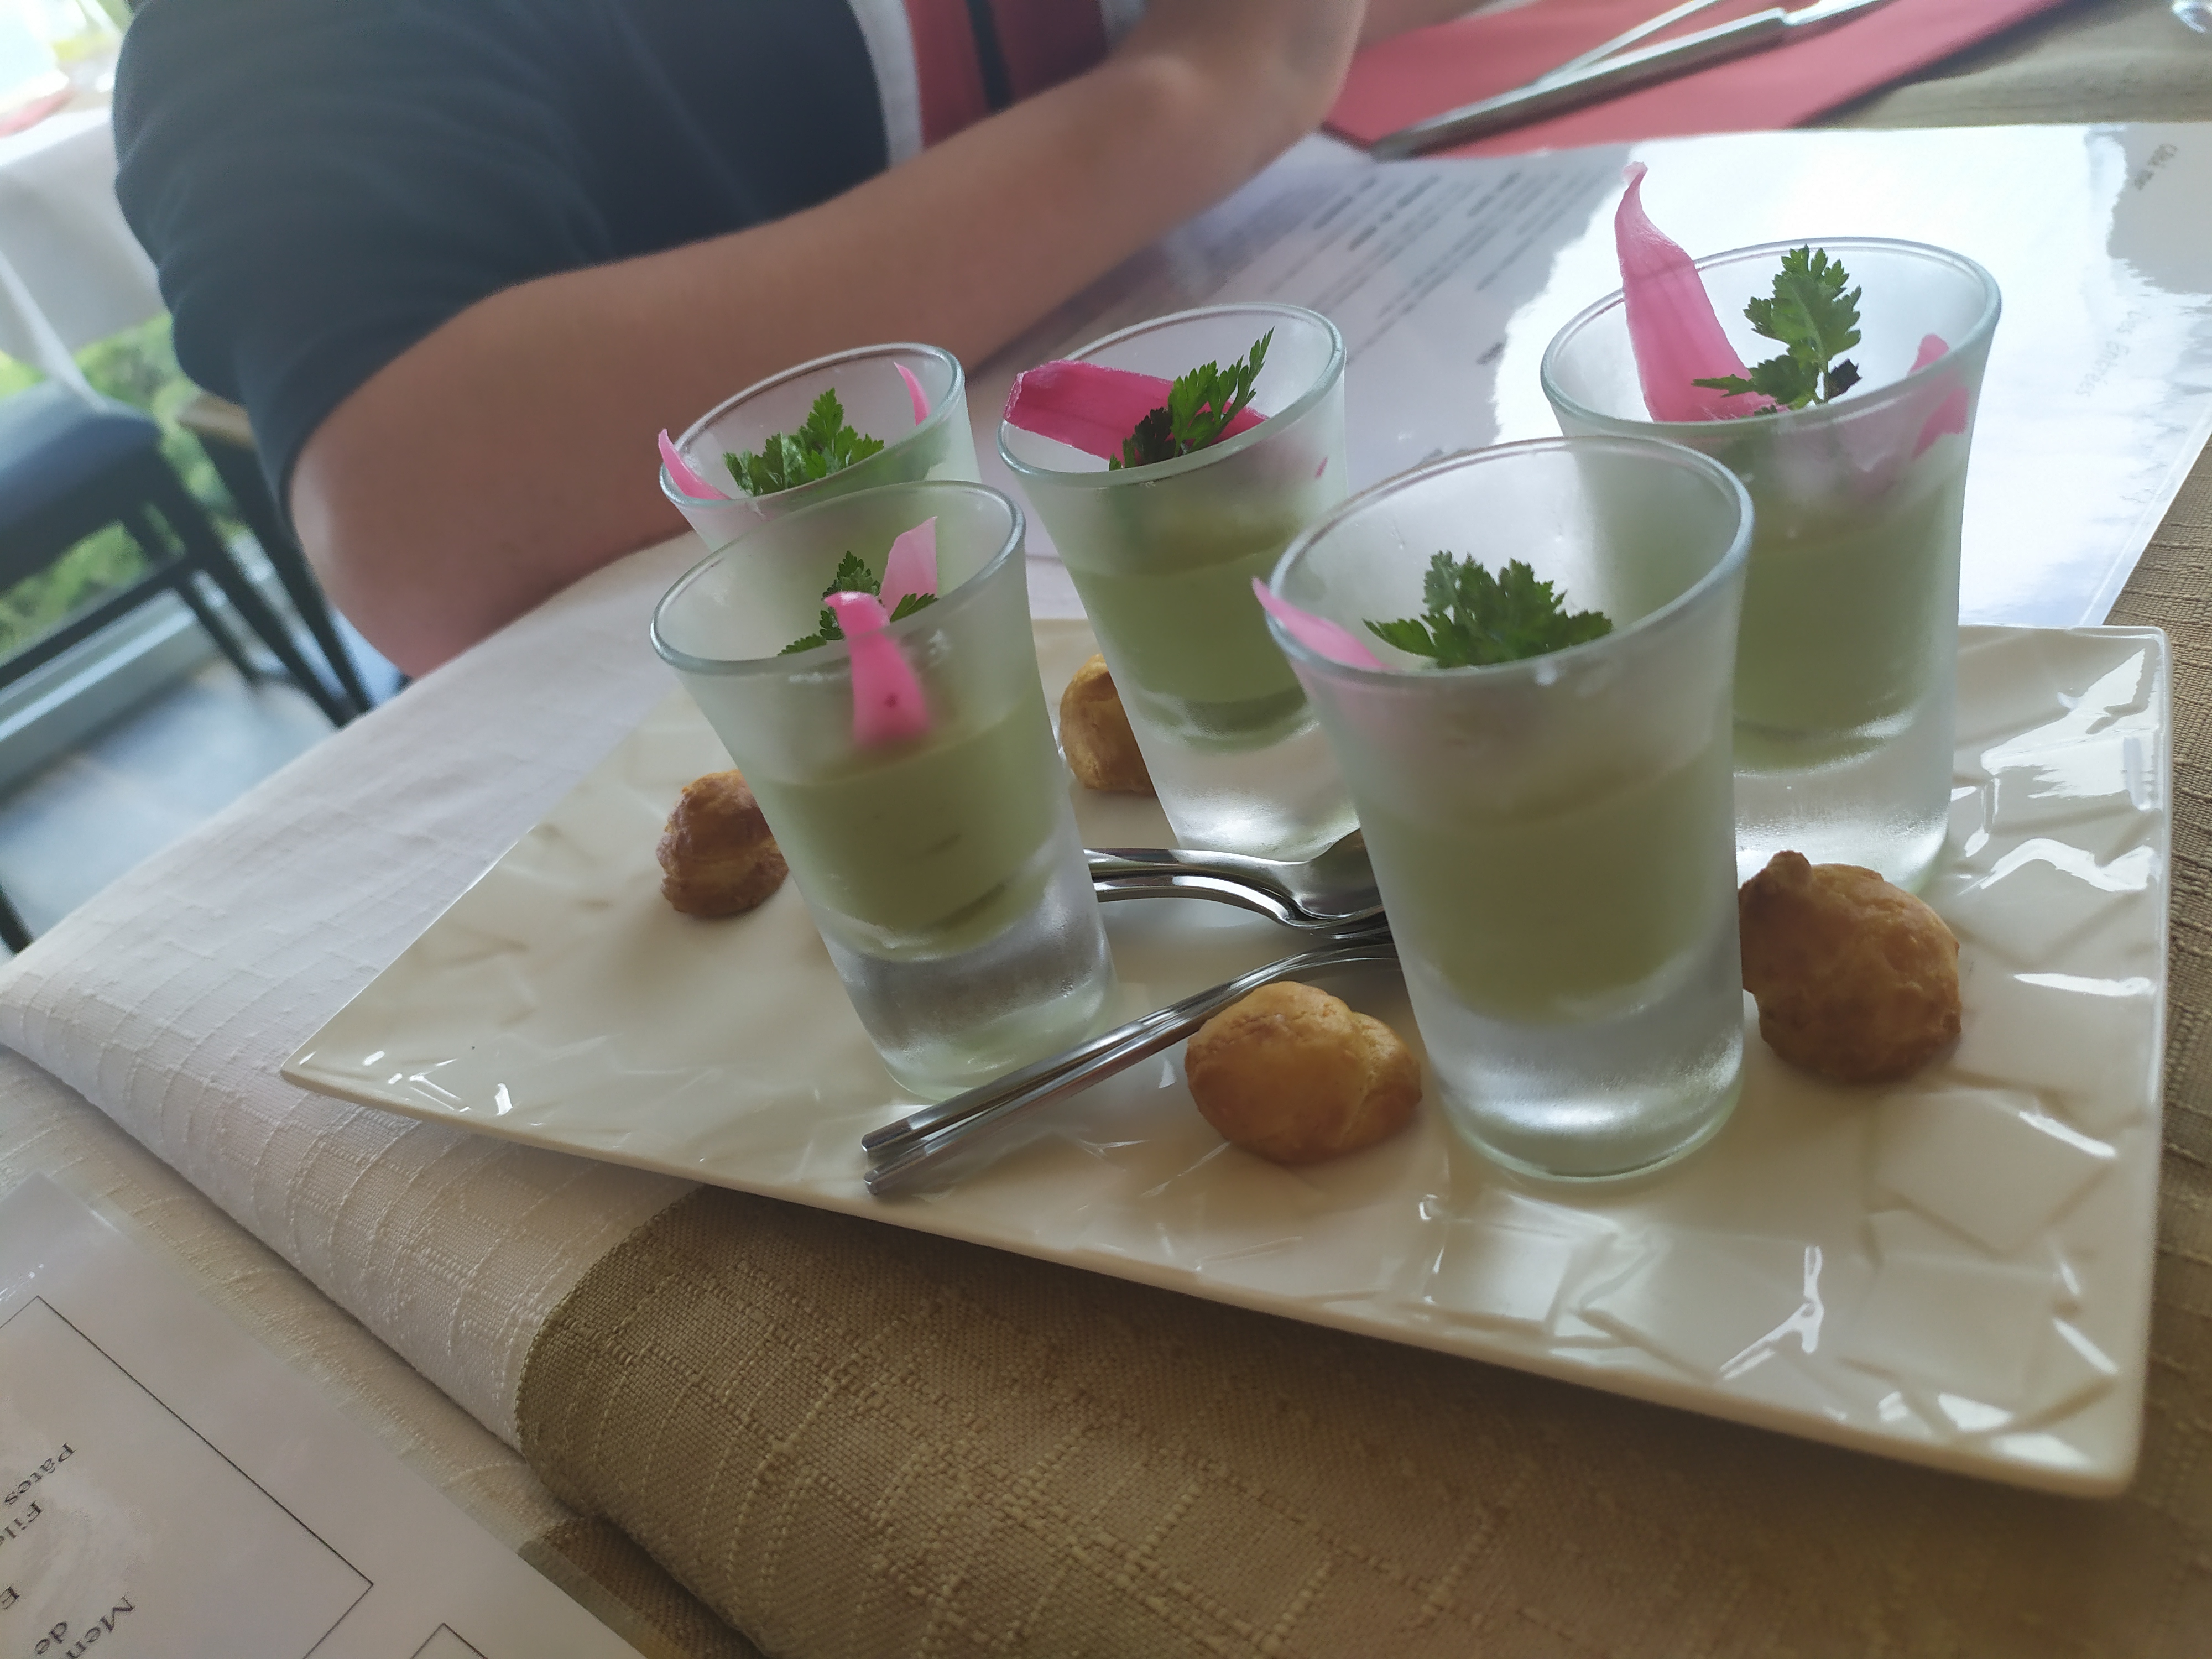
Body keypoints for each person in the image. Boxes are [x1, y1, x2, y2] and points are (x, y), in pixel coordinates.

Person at [114, 0, 1467, 676]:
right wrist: (1198, 95)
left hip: (1340, 504)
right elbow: (421, 513)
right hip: (888, 767)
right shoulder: (270, 39)